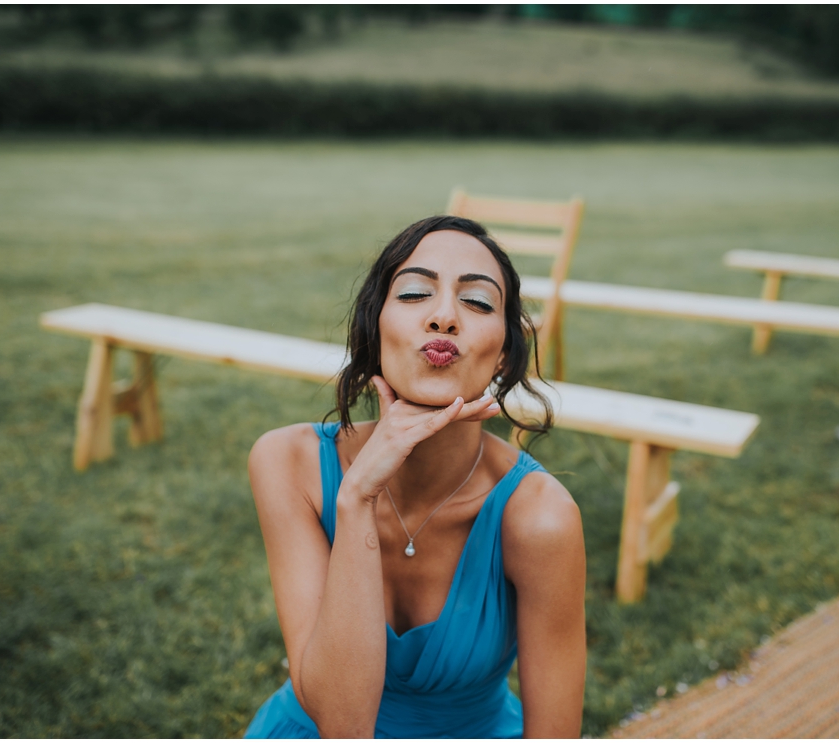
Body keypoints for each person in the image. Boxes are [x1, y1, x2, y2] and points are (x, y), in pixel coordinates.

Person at [244, 215, 587, 738]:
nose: (445, 315)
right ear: (374, 329)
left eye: (476, 302)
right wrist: (357, 495)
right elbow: (342, 725)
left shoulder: (541, 518)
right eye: (413, 294)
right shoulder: (287, 463)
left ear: (502, 357)